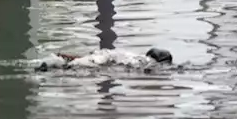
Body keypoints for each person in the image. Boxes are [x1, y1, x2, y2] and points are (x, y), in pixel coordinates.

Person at [35, 48, 172, 72]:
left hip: (102, 56)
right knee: (70, 68)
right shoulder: (146, 63)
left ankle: (57, 62)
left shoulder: (131, 55)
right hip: (103, 63)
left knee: (74, 63)